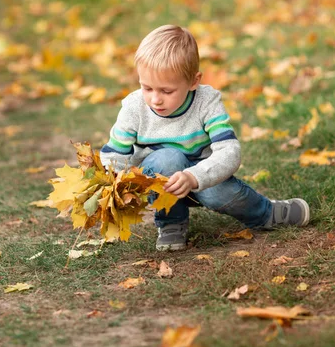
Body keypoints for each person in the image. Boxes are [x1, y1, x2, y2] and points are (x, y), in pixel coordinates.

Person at [100, 25, 309, 251]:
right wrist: (109, 185)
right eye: (147, 88)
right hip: (160, 179)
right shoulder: (134, 107)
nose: (155, 99)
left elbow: (230, 152)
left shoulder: (206, 102)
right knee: (166, 159)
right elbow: (115, 154)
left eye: (166, 91)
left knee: (221, 193)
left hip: (204, 176)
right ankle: (171, 223)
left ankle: (265, 213)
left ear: (193, 81)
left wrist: (193, 177)